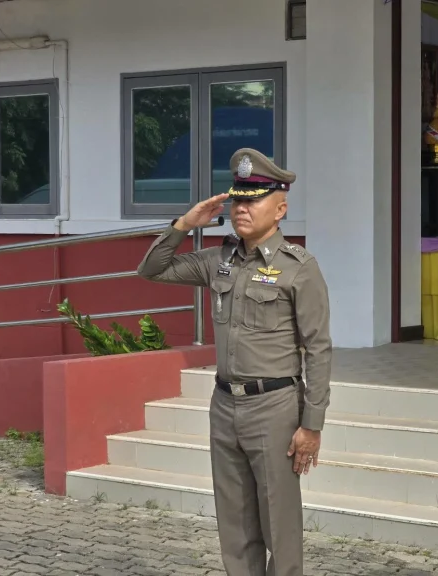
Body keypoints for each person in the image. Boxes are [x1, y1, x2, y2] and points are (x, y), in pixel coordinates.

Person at [137, 148, 332, 576]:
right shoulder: (218, 260)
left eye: (253, 200)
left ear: (280, 209)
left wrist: (312, 424)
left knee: (279, 523)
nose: (241, 208)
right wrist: (185, 224)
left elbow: (318, 349)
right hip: (225, 405)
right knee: (235, 524)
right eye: (238, 200)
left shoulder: (299, 268)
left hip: (274, 407)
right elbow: (151, 269)